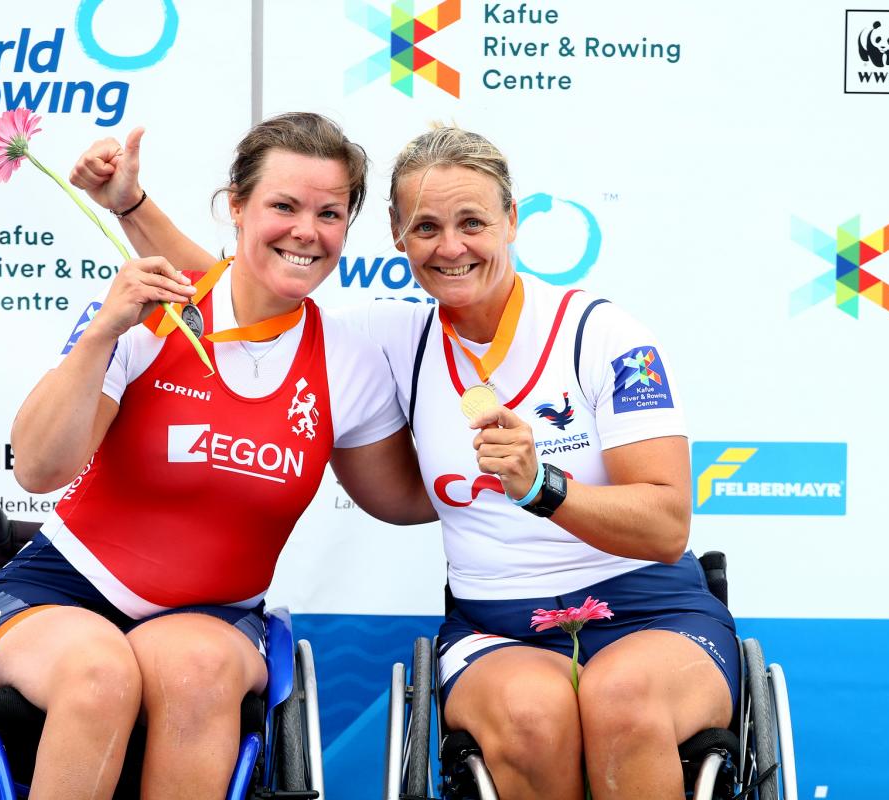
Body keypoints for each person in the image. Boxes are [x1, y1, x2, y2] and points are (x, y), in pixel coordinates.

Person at [72, 124, 738, 800]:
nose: (450, 247)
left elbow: (666, 526)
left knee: (620, 701)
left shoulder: (604, 334)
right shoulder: (388, 341)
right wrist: (130, 207)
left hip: (648, 610)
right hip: (498, 625)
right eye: (426, 227)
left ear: (512, 221)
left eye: (472, 221)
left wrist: (543, 486)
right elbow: (230, 286)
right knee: (532, 720)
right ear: (396, 235)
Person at [0, 112, 434, 800]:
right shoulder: (153, 311)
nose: (306, 230)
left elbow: (399, 499)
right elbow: (39, 469)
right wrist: (103, 330)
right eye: (283, 205)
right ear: (237, 207)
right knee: (99, 674)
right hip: (59, 594)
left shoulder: (349, 361)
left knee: (193, 669)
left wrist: (531, 482)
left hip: (214, 618)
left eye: (329, 212)